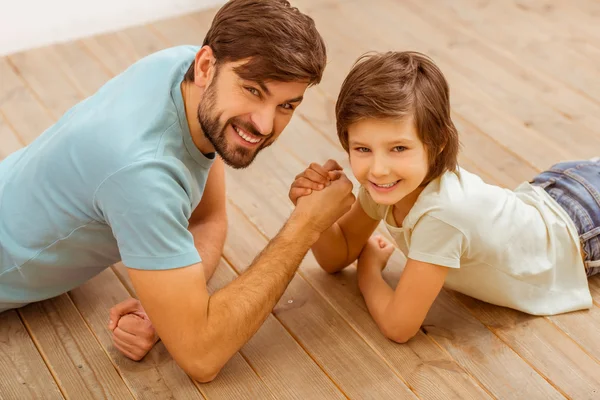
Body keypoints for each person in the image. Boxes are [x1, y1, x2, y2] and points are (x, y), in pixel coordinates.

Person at [0, 0, 356, 382]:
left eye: (286, 105)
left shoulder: (184, 71)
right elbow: (201, 356)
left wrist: (167, 310)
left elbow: (206, 219)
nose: (265, 124)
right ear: (206, 66)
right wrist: (306, 226)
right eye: (253, 91)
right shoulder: (143, 173)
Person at [289, 51, 598, 344]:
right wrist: (311, 209)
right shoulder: (385, 186)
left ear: (437, 143)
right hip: (555, 192)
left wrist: (368, 273)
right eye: (362, 149)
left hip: (582, 230)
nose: (378, 169)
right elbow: (336, 257)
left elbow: (399, 327)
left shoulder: (442, 216)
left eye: (399, 148)